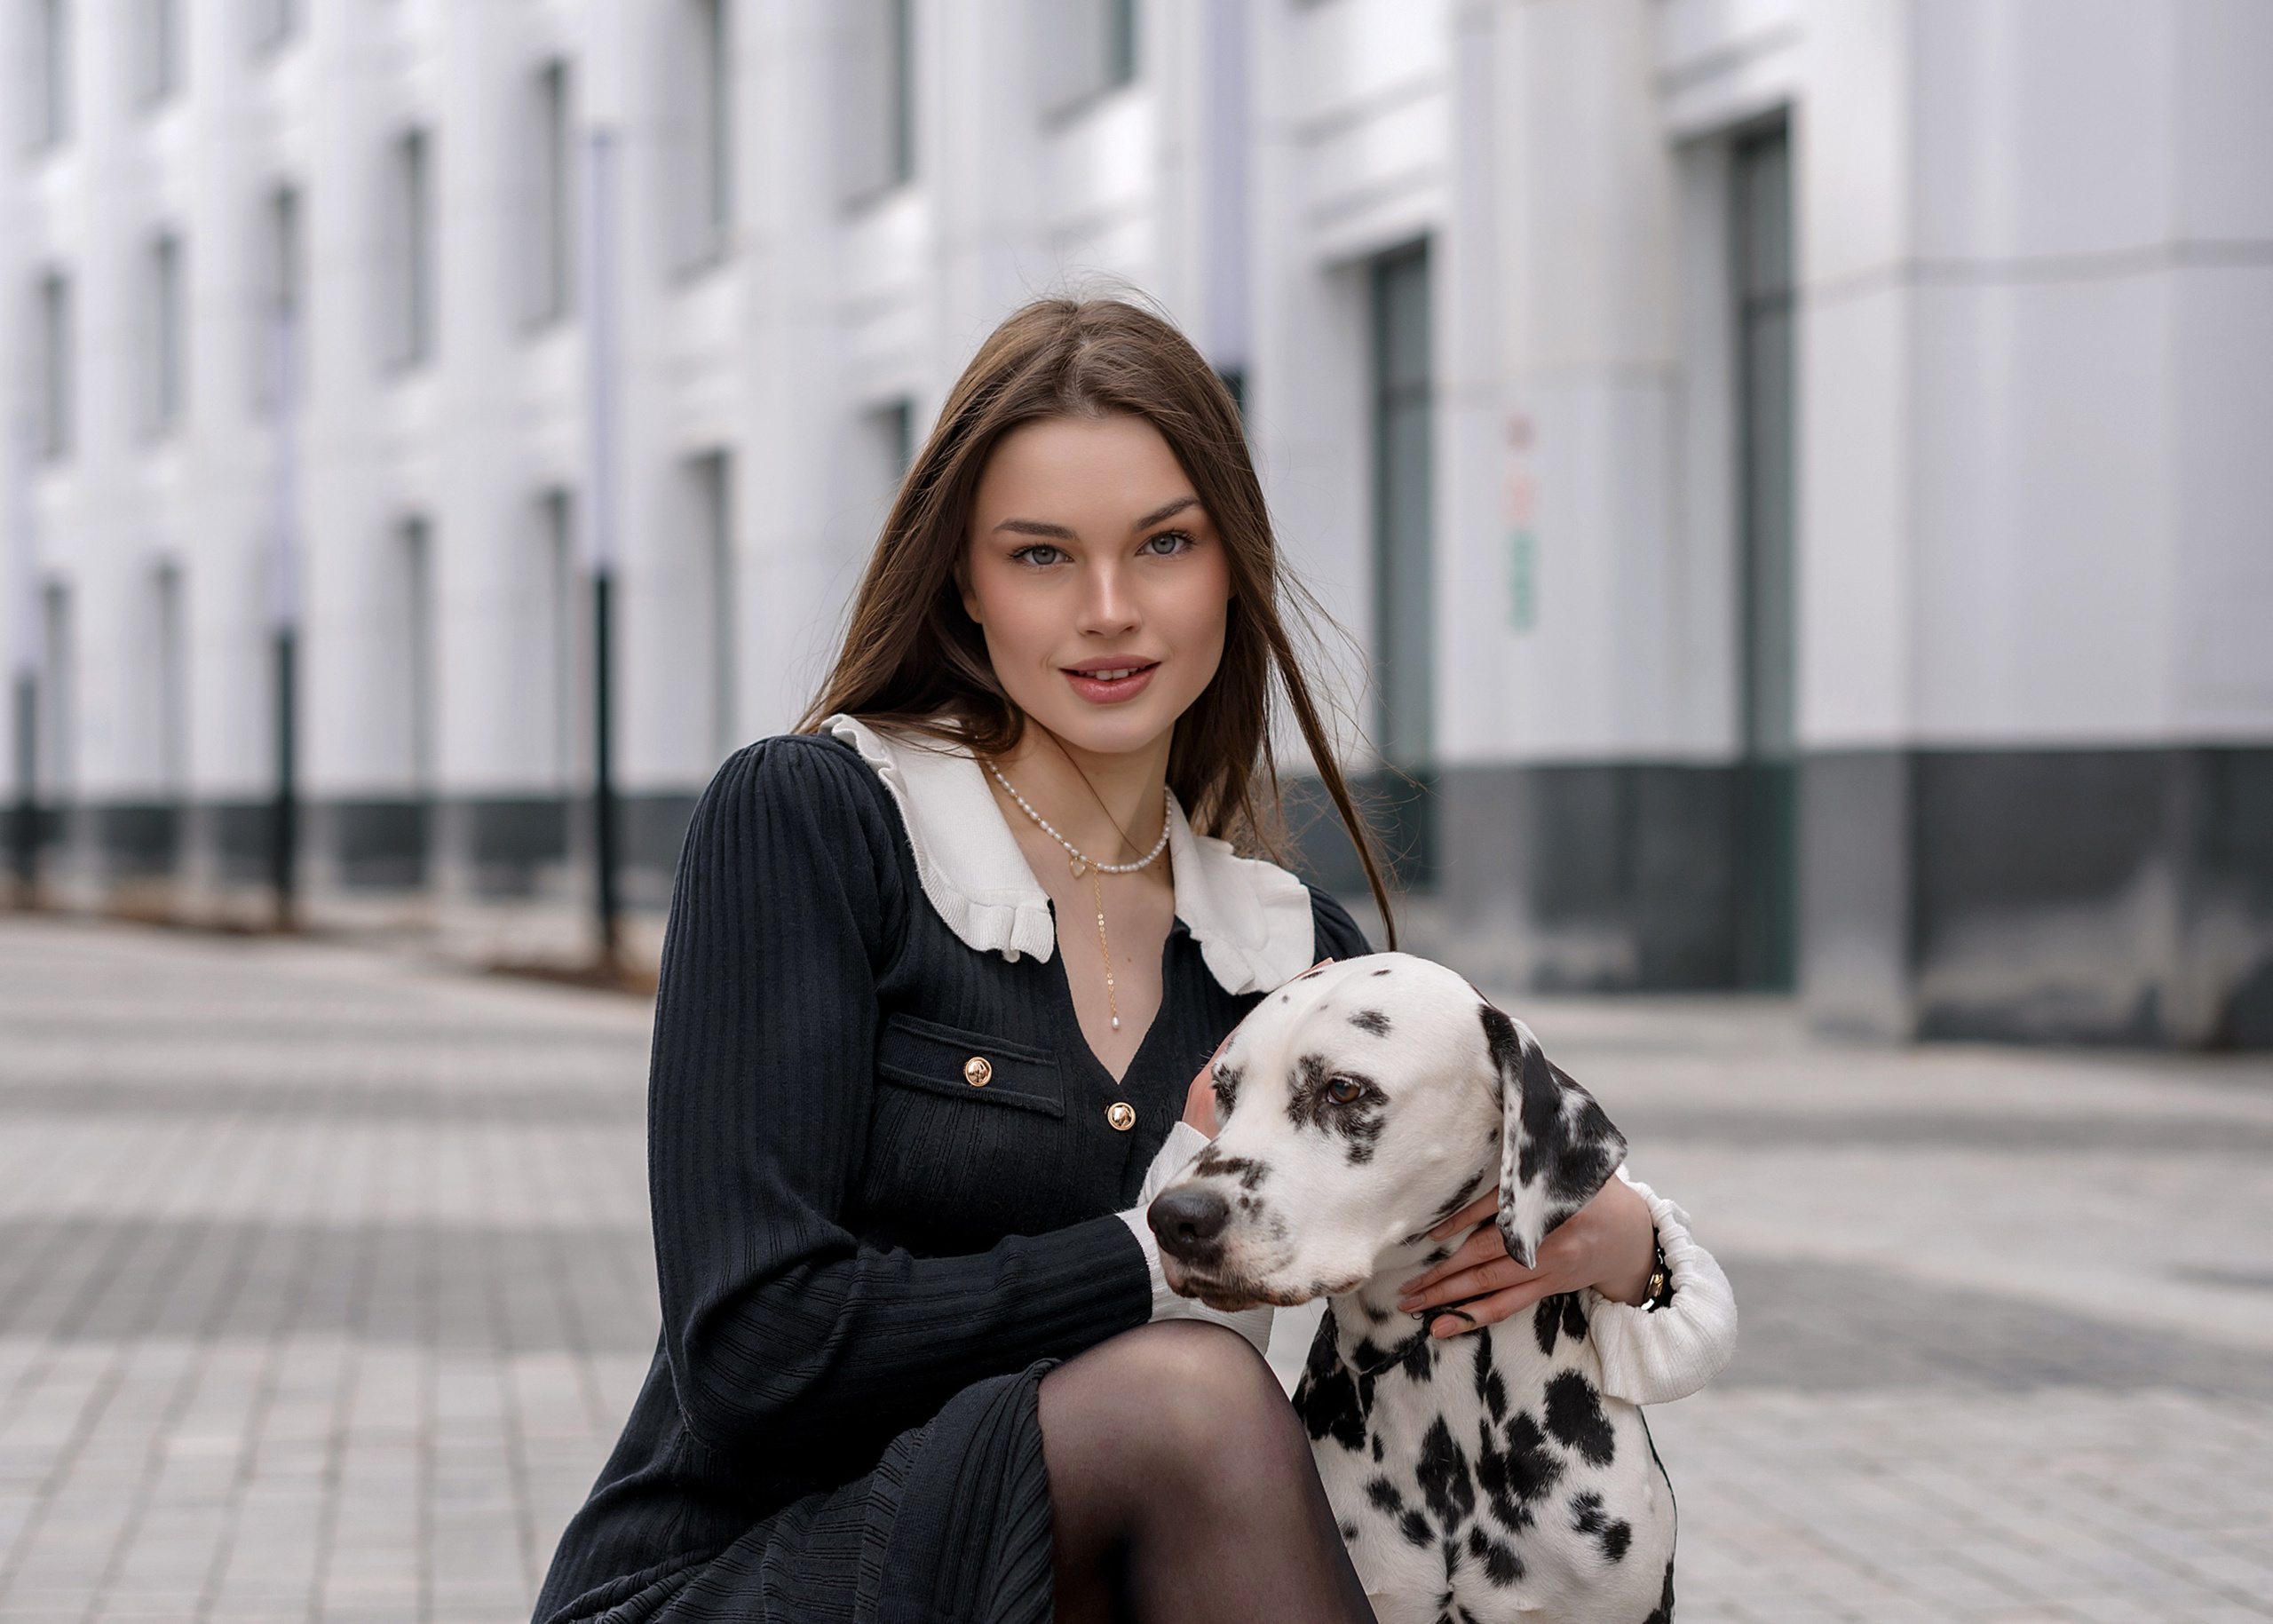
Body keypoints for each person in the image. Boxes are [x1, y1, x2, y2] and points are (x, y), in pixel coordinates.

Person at [532, 297, 1730, 1624]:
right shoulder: (814, 821)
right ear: (964, 586)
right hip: (747, 1575)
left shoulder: (1283, 959)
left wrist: (1618, 1239)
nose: (1110, 609)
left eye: (1164, 543)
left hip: (1073, 1589)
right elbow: (753, 1350)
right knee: (1194, 1398)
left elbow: (1434, 1248)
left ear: (1230, 566)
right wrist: (1153, 1255)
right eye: (1042, 555)